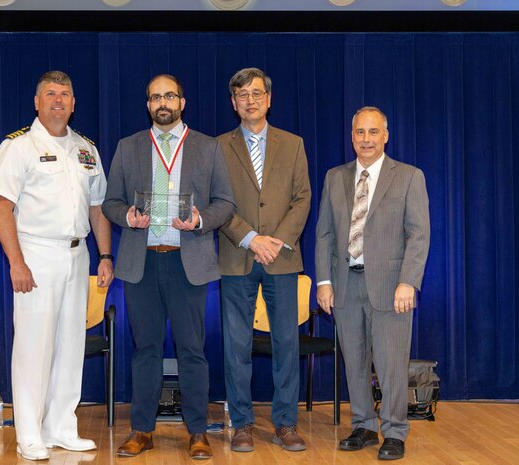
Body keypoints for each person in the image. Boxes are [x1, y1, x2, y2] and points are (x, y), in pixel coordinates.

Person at [102, 74, 235, 460]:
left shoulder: (208, 148)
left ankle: (198, 433)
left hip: (187, 262)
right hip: (141, 262)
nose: (163, 102)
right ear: (147, 104)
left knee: (192, 350)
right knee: (145, 350)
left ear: (182, 101)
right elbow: (110, 201)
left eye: (170, 95)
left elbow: (226, 203)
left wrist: (199, 221)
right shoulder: (128, 148)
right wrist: (127, 215)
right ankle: (141, 430)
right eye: (156, 96)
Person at [0, 70, 114, 461]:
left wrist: (106, 256)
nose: (58, 100)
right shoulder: (18, 147)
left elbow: (98, 209)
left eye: (65, 94)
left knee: (70, 345)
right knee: (34, 346)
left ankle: (61, 427)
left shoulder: (86, 149)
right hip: (36, 253)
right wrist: (17, 263)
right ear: (37, 102)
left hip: (79, 256)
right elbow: (2, 207)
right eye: (50, 94)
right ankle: (29, 433)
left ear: (74, 103)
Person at [315, 106, 430, 461]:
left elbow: (419, 234)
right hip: (346, 286)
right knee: (354, 361)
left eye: (373, 132)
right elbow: (324, 235)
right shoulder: (335, 177)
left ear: (386, 135)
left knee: (392, 363)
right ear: (352, 137)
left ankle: (394, 431)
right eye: (360, 133)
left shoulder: (409, 176)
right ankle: (363, 425)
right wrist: (323, 281)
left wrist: (408, 281)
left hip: (392, 288)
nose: (366, 139)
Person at [217, 67, 311, 453]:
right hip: (237, 256)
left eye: (257, 93)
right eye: (242, 95)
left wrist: (277, 242)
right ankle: (241, 424)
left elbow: (303, 198)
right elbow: (217, 204)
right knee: (236, 346)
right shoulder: (218, 147)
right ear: (233, 103)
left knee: (286, 343)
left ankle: (286, 423)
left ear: (269, 99)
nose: (250, 100)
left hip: (282, 259)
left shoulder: (294, 143)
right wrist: (252, 239)